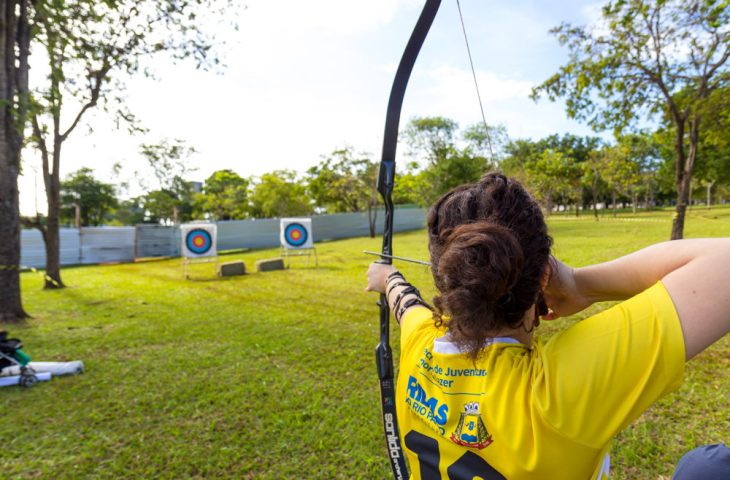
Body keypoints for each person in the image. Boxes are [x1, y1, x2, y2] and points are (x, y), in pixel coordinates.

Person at [366, 172, 730, 480]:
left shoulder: (419, 341)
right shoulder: (557, 391)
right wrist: (579, 284)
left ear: (444, 275)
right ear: (543, 276)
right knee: (709, 467)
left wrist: (386, 276)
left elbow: (404, 302)